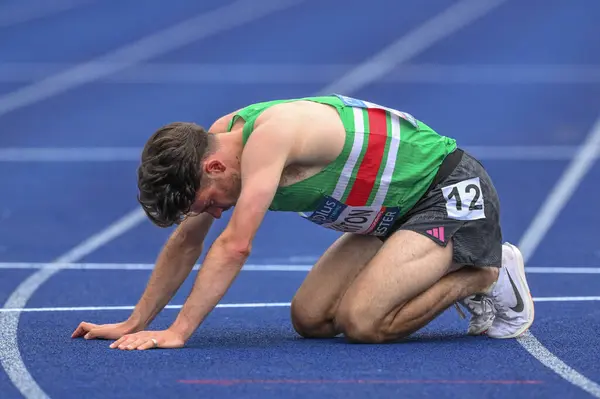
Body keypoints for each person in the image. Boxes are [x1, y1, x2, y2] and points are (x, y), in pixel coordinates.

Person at [71, 94, 534, 350]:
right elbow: (186, 242)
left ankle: (485, 273)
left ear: (213, 168)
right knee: (310, 319)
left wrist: (178, 333)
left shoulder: (271, 137)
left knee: (363, 322)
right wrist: (134, 321)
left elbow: (235, 245)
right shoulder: (215, 142)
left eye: (208, 202)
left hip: (446, 196)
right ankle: (435, 263)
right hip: (388, 217)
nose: (213, 212)